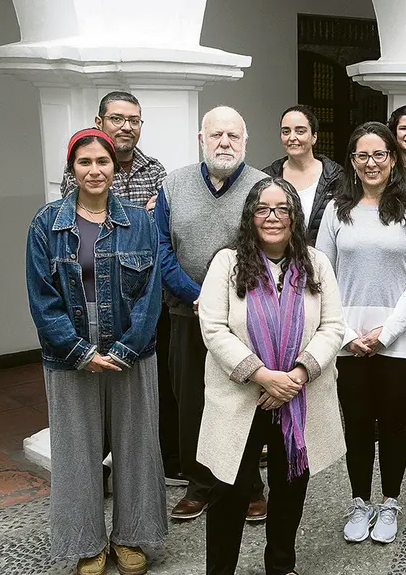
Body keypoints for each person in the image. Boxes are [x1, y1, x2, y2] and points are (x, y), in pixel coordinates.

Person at [27, 129, 166, 575]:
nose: (94, 170)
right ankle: (87, 543)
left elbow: (151, 295)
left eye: (102, 161)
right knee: (76, 452)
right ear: (72, 169)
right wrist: (78, 350)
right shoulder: (45, 224)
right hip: (68, 354)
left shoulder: (140, 222)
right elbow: (41, 298)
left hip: (132, 349)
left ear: (114, 167)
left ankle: (131, 537)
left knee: (137, 447)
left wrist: (128, 347)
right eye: (84, 162)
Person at [197, 178, 346, 575]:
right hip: (242, 397)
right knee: (228, 491)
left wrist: (295, 376)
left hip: (298, 396)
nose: (273, 217)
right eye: (263, 208)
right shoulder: (227, 263)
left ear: (296, 216)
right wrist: (264, 376)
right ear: (250, 215)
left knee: (290, 488)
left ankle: (281, 565)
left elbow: (333, 327)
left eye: (283, 209)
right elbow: (213, 328)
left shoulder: (316, 264)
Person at [316, 121, 406, 545]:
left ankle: (389, 501)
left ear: (392, 159)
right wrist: (346, 333)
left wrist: (387, 331)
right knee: (358, 424)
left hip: (398, 338)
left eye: (379, 155)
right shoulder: (335, 210)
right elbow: (321, 276)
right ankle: (359, 500)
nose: (371, 163)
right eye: (362, 156)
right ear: (352, 161)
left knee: (393, 422)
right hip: (347, 340)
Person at [56, 92, 180, 487]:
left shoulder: (156, 169)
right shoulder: (79, 168)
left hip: (137, 303)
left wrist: (142, 218)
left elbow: (157, 226)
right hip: (88, 305)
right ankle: (99, 471)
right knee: (91, 402)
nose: (127, 126)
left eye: (135, 120)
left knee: (142, 401)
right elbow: (79, 220)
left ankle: (141, 476)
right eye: (118, 118)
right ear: (100, 120)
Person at [155, 106, 270, 521]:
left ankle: (249, 488)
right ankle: (200, 486)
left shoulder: (263, 187)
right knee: (192, 403)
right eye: (216, 135)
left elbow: (270, 249)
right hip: (186, 315)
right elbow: (161, 250)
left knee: (243, 401)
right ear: (201, 139)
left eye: (233, 137)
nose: (225, 143)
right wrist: (196, 294)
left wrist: (224, 299)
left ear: (245, 141)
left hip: (244, 320)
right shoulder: (173, 186)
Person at [262, 105, 344, 246]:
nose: (292, 137)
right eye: (286, 131)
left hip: (323, 261)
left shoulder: (336, 177)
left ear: (314, 137)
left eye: (300, 131)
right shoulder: (267, 178)